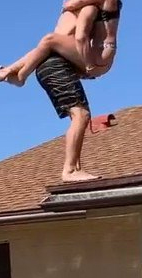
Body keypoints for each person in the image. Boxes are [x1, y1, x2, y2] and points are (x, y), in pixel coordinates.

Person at [32, 52, 100, 182]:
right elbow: (50, 41)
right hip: (57, 67)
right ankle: (71, 170)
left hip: (55, 67)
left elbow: (44, 47)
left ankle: (76, 169)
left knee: (80, 116)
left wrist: (18, 70)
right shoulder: (89, 35)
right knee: (81, 114)